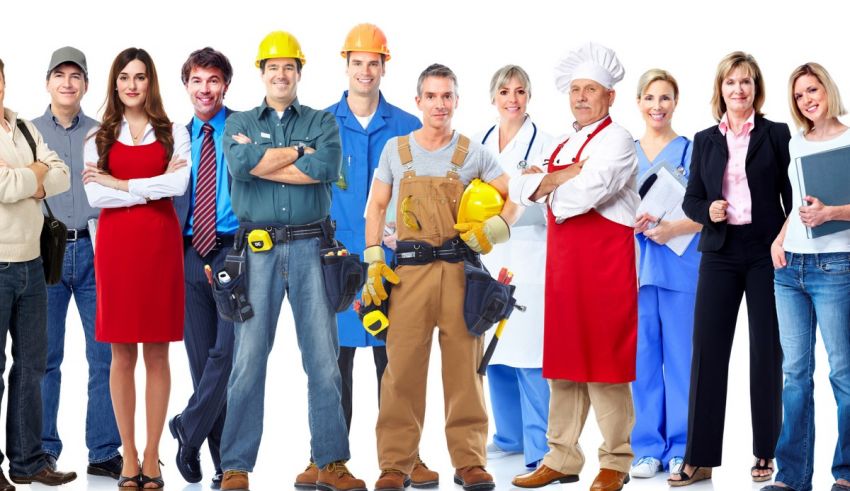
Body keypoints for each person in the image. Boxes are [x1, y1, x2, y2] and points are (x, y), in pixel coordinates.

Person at [217, 30, 366, 491]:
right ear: (260, 73)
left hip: (310, 248)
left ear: (299, 72)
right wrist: (299, 154)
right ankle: (236, 465)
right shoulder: (237, 120)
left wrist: (266, 159)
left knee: (323, 360)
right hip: (256, 251)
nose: (281, 74)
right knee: (248, 361)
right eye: (272, 67)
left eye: (289, 67)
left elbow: (325, 169)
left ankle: (331, 462)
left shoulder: (323, 121)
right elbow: (239, 167)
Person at [292, 23, 431, 491]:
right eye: (358, 63)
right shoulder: (319, 125)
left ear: (384, 66)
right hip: (334, 261)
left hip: (396, 261)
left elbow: (425, 194)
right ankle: (325, 458)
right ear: (346, 65)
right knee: (332, 363)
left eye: (374, 62)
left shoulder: (408, 127)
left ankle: (406, 459)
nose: (365, 71)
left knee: (397, 365)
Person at [366, 63, 513, 491]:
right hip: (408, 274)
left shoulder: (472, 153)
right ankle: (396, 464)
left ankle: (469, 461)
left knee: (464, 372)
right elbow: (376, 206)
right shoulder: (396, 150)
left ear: (456, 101)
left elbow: (512, 195)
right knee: (401, 372)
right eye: (431, 96)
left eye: (447, 96)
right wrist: (375, 257)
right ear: (418, 102)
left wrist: (497, 228)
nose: (439, 104)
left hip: (459, 272)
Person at [509, 42, 638, 491]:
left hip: (605, 267)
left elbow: (589, 193)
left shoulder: (619, 139)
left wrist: (550, 186)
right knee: (563, 364)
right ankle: (561, 456)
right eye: (576, 90)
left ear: (610, 97)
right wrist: (564, 174)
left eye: (591, 90)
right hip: (564, 269)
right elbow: (519, 188)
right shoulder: (563, 144)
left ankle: (615, 461)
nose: (581, 97)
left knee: (605, 363)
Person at [669, 51, 790, 487]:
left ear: (757, 89)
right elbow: (691, 199)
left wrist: (783, 240)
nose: (739, 90)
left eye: (746, 82)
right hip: (719, 251)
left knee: (766, 350)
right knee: (708, 351)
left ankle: (765, 451)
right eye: (731, 83)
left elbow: (791, 197)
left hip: (764, 250)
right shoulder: (705, 139)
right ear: (719, 90)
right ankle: (699, 458)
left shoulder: (776, 134)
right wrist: (710, 210)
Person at [82, 47, 191, 489]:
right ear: (114, 84)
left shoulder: (173, 132)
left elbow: (178, 184)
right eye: (124, 77)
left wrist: (120, 183)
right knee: (121, 353)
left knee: (159, 352)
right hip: (116, 249)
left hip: (159, 247)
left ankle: (151, 455)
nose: (132, 85)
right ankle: (128, 455)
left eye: (140, 77)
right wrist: (147, 188)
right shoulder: (99, 137)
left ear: (151, 83)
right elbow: (95, 198)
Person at [32, 46, 123, 480]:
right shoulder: (26, 132)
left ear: (86, 84)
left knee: (104, 355)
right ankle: (43, 450)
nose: (68, 83)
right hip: (44, 250)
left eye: (76, 76)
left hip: (95, 248)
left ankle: (104, 450)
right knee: (44, 357)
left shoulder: (103, 132)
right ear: (48, 82)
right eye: (60, 75)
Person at [764, 62, 850, 491]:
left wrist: (832, 213)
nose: (807, 100)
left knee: (843, 374)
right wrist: (781, 238)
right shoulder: (797, 143)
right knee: (795, 374)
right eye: (798, 95)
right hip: (789, 268)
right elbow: (798, 204)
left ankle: (847, 474)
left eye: (812, 90)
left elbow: (826, 208)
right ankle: (793, 477)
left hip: (836, 267)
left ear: (828, 90)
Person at [0, 56, 77, 490]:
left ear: (4, 81)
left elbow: (63, 175)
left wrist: (25, 176)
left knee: (33, 367)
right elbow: (3, 186)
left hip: (32, 262)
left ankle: (29, 463)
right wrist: (36, 175)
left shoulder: (25, 128)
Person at [473, 64, 552, 469]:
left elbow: (548, 202)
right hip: (490, 255)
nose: (513, 99)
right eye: (505, 92)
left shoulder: (546, 144)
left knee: (530, 350)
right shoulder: (480, 143)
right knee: (496, 350)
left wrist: (512, 211)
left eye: (520, 91)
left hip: (531, 254)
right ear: (493, 97)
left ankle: (540, 447)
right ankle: (509, 436)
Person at [168, 47, 237, 490]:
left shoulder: (246, 128)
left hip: (234, 249)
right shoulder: (173, 136)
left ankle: (186, 427)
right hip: (189, 251)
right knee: (200, 360)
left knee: (228, 355)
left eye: (213, 80)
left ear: (225, 86)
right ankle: (222, 466)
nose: (205, 89)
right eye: (197, 81)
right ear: (187, 86)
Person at [629, 68, 701, 479]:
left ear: (676, 103)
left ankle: (682, 447)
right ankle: (647, 448)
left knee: (680, 360)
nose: (658, 106)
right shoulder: (625, 151)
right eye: (650, 98)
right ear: (639, 102)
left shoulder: (692, 151)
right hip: (634, 270)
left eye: (666, 98)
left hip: (680, 267)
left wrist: (671, 225)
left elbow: (708, 210)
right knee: (641, 361)